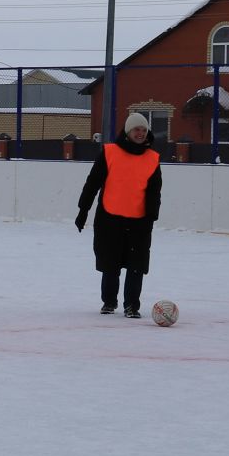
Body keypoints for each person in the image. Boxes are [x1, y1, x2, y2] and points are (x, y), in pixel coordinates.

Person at [77, 110, 162, 318]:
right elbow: (93, 183)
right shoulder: (109, 152)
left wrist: (152, 216)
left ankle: (132, 305)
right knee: (110, 263)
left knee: (137, 265)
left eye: (143, 130)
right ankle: (109, 302)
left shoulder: (152, 158)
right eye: (136, 129)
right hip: (109, 218)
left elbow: (154, 191)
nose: (140, 133)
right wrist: (83, 210)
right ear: (127, 131)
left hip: (139, 221)